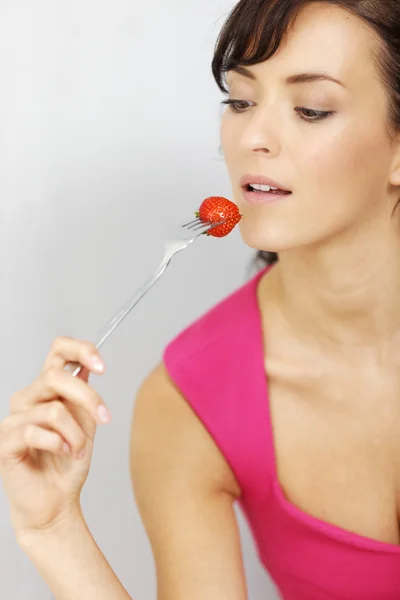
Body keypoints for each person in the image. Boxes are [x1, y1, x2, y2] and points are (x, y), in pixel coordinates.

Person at [2, 0, 400, 598]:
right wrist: (53, 528)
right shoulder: (191, 402)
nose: (253, 137)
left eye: (310, 109)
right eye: (239, 101)